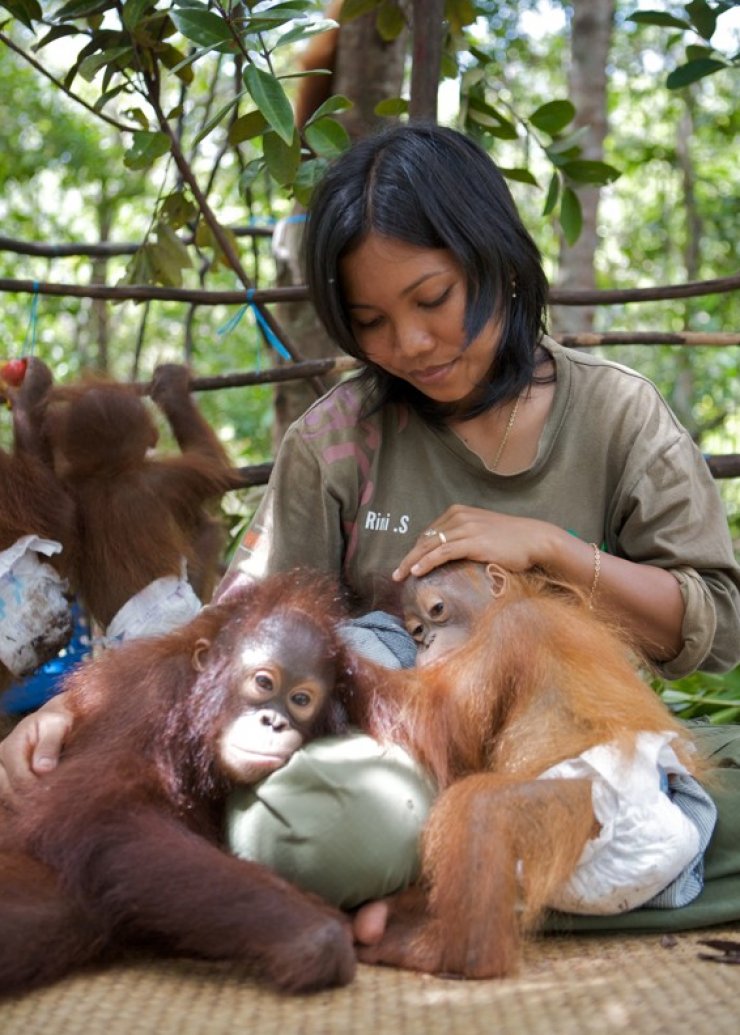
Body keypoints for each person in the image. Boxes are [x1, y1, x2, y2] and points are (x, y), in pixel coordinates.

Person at [1, 124, 739, 937]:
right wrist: (81, 707)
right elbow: (246, 628)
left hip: (580, 756)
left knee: (696, 795)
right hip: (397, 766)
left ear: (494, 261)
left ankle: (479, 878)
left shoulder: (616, 414)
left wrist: (551, 549)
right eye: (372, 321)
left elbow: (717, 623)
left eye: (432, 300)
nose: (411, 343)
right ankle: (477, 879)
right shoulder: (337, 438)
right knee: (316, 830)